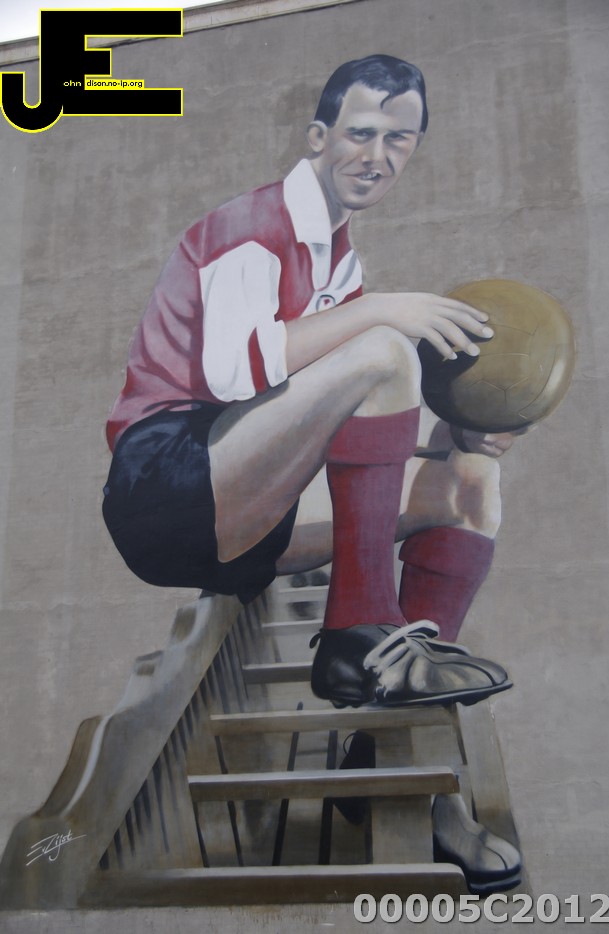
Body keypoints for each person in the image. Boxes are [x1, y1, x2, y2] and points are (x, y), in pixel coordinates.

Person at [103, 54, 516, 710]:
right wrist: (377, 311)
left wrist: (456, 435)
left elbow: (343, 431)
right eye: (360, 134)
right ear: (320, 137)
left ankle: (388, 718)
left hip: (257, 503)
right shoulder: (249, 227)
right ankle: (358, 632)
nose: (376, 157)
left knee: (469, 482)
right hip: (167, 485)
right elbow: (234, 373)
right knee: (382, 349)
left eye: (398, 139)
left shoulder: (338, 258)